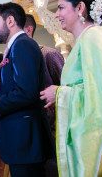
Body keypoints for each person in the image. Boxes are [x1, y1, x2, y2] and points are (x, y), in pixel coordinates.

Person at [40, 0, 102, 176]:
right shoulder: (85, 40)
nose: (57, 14)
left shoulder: (94, 37)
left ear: (79, 7)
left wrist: (60, 93)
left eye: (61, 7)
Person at [0, 2, 53, 177]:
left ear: (11, 21)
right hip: (21, 143)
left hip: (26, 142)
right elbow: (15, 88)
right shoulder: (15, 46)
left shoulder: (22, 44)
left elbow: (26, 93)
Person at [24, 14, 64, 176]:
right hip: (32, 133)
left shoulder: (49, 54)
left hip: (54, 129)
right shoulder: (18, 60)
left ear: (28, 30)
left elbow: (65, 86)